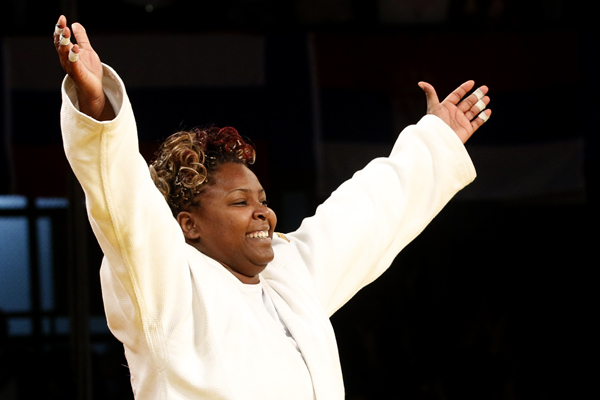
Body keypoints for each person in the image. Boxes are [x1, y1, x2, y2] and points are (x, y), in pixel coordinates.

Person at [53, 14, 491, 400]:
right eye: (240, 202)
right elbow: (126, 206)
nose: (263, 212)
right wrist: (97, 109)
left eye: (262, 200)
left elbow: (369, 211)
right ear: (188, 225)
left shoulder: (288, 276)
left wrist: (436, 139)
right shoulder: (168, 288)